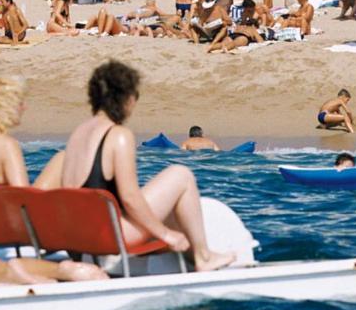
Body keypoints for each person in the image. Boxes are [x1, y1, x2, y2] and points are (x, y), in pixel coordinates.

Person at [38, 61, 235, 272]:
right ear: (127, 98)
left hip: (79, 241)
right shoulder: (118, 135)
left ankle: (191, 258)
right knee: (181, 175)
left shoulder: (79, 134)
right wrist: (165, 234)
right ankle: (203, 257)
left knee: (172, 207)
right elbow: (130, 198)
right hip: (108, 238)